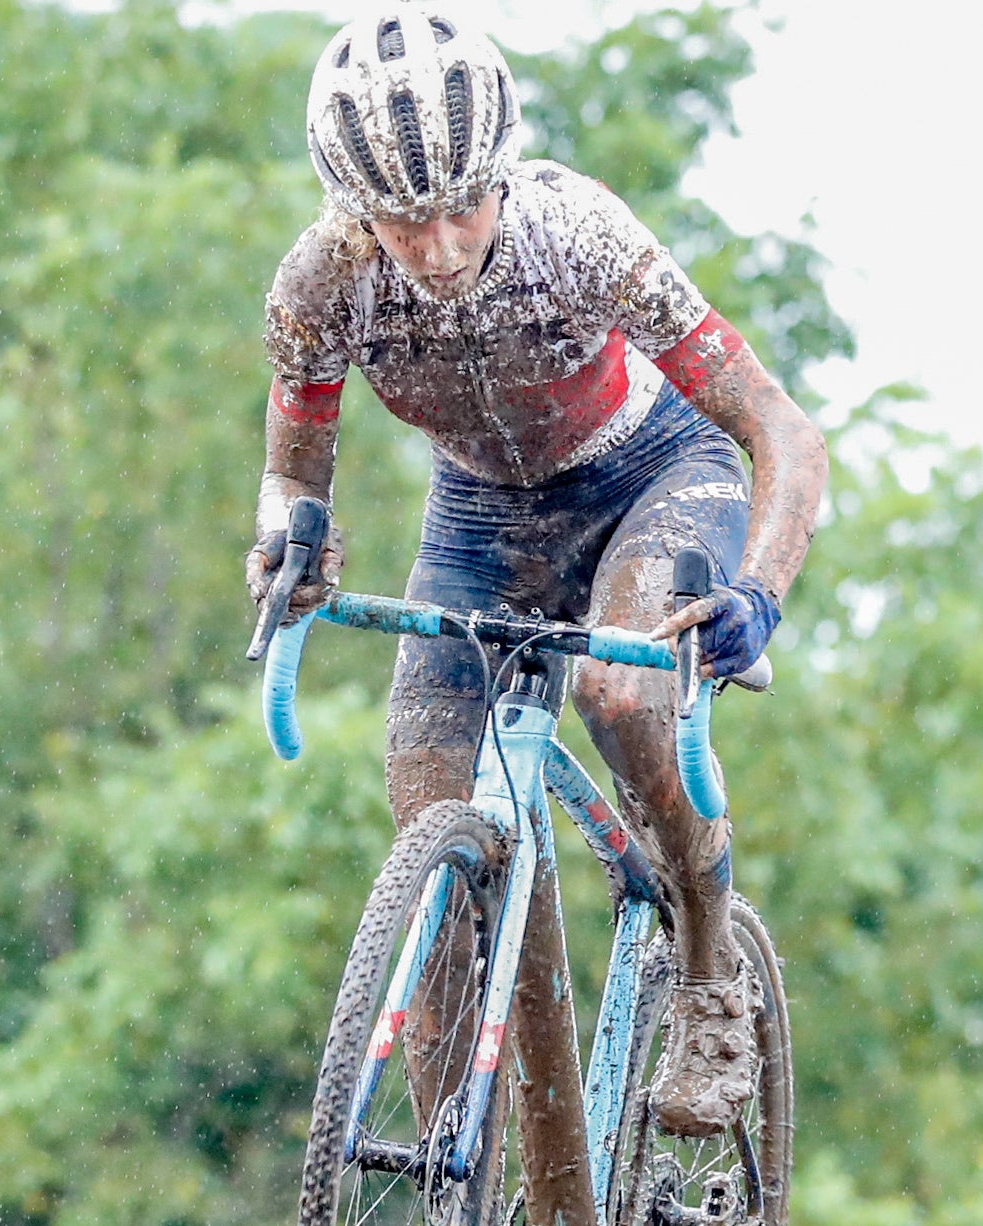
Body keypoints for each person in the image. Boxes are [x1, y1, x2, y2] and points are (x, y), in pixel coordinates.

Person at [246, 8, 824, 1137]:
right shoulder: (318, 285)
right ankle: (451, 1192)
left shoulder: (577, 233)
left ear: (503, 173)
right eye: (408, 226)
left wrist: (760, 589)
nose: (446, 245)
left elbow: (780, 430)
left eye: (466, 205)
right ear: (354, 215)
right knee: (423, 798)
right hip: (480, 516)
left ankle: (711, 976)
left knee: (620, 696)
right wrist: (289, 546)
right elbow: (294, 479)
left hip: (647, 476)